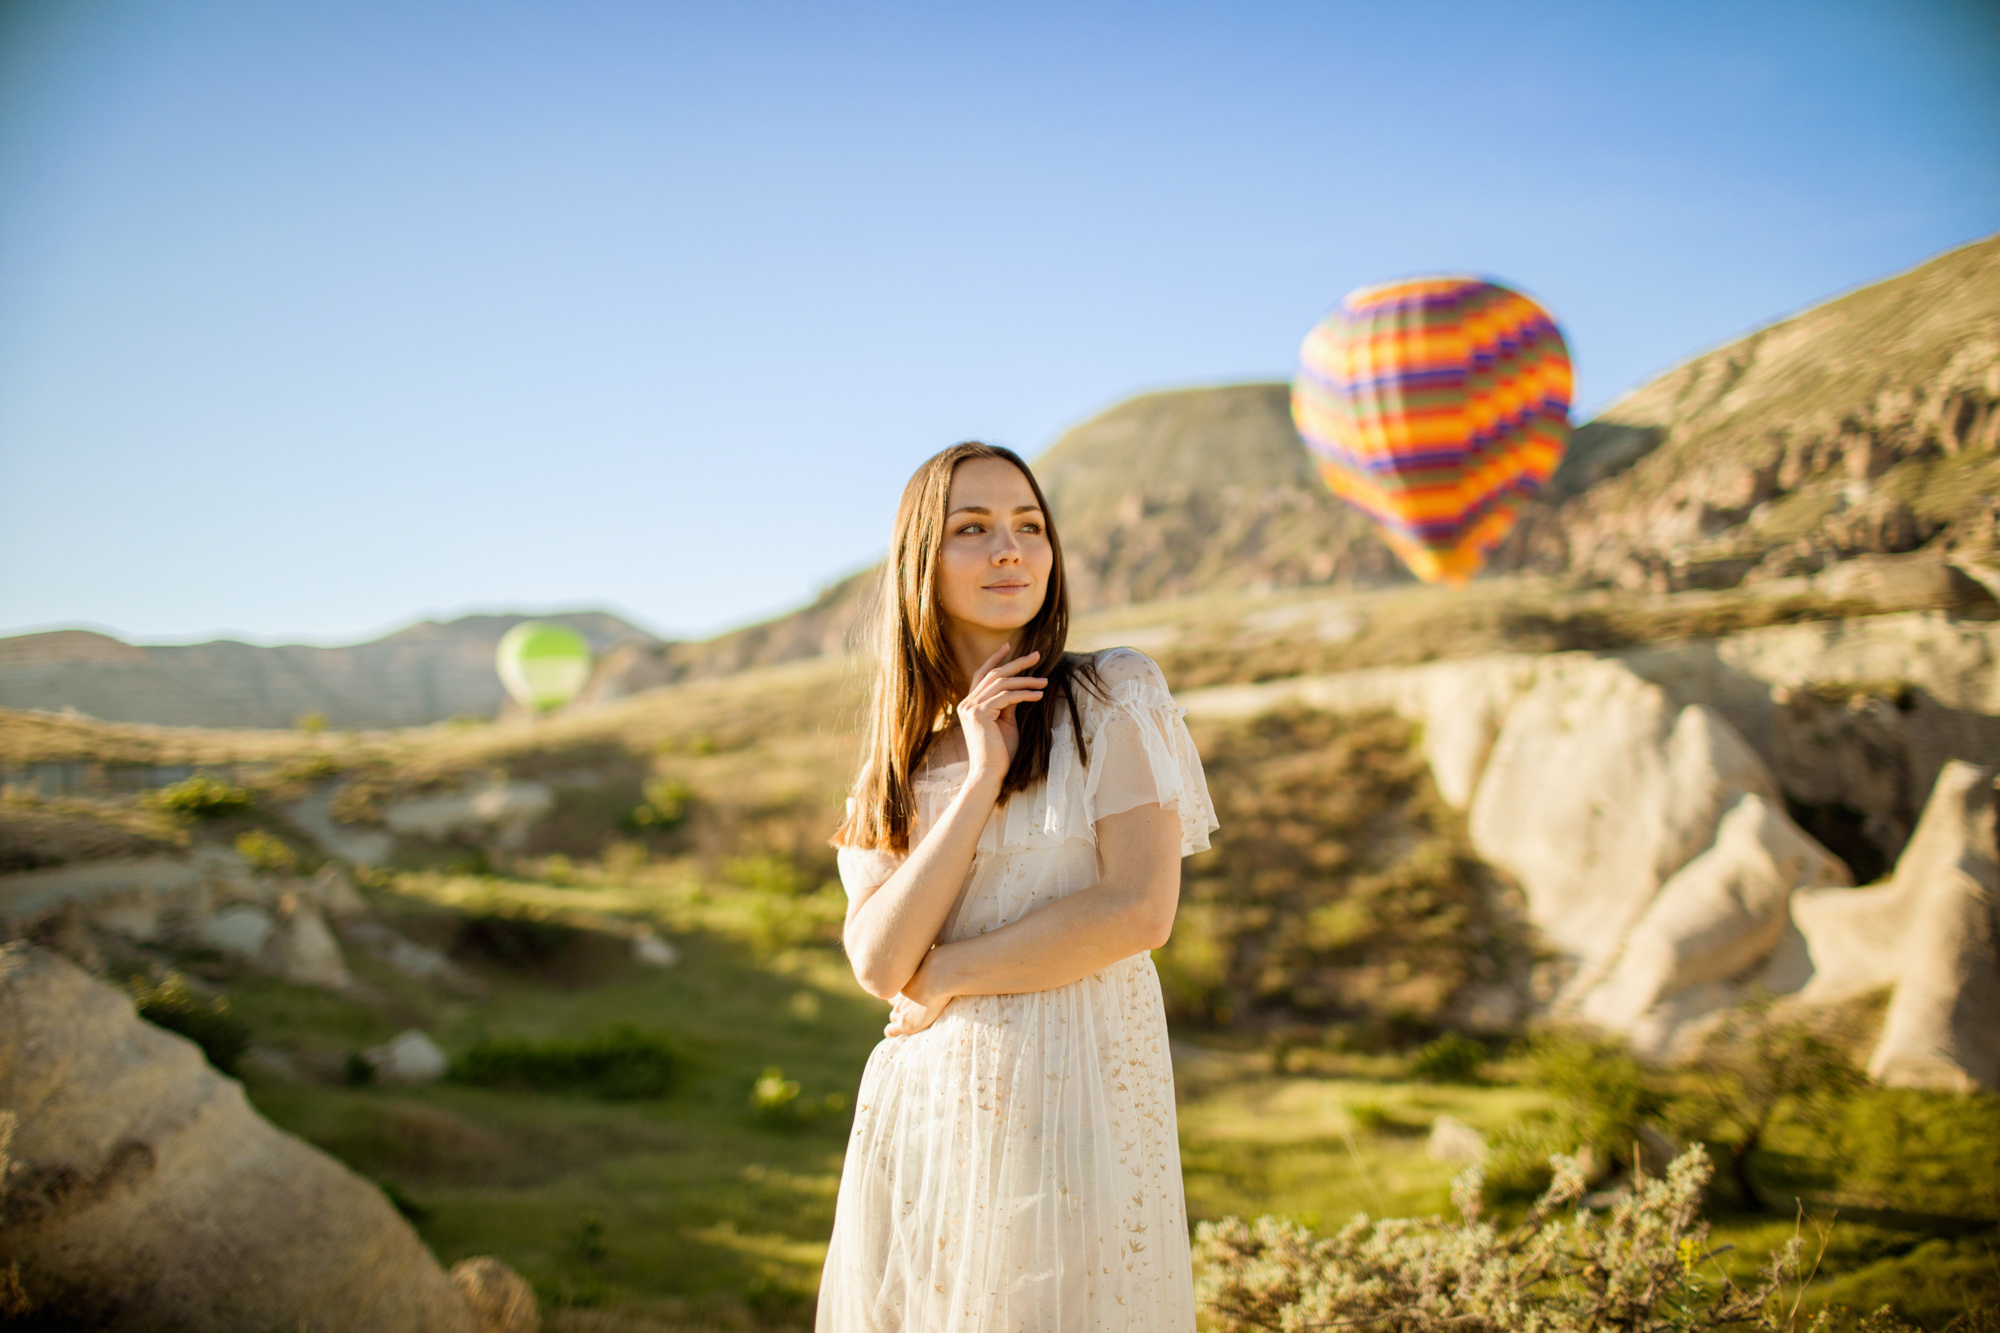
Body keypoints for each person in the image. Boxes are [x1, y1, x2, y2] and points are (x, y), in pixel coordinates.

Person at [817, 441, 1219, 1331]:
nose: (1010, 548)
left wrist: (949, 971)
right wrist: (979, 779)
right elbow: (883, 963)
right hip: (926, 1127)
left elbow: (1138, 909)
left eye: (1029, 526)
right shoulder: (897, 764)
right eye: (974, 528)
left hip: (1079, 1110)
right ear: (922, 559)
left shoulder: (1113, 695)